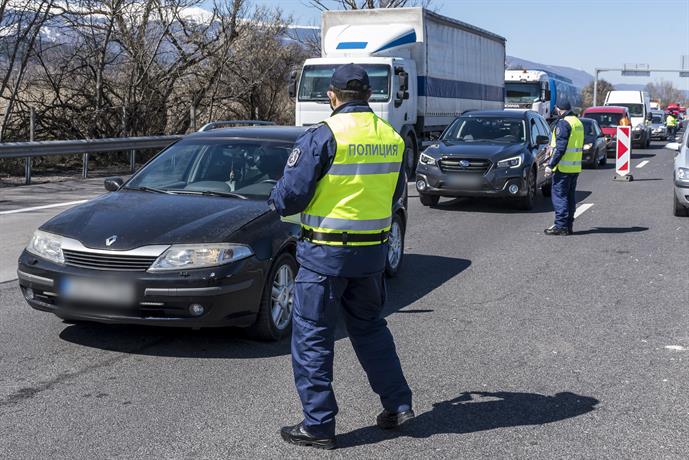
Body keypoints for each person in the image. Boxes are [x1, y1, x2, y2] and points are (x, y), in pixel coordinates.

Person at [268, 63, 413, 450]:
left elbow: (291, 197)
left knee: (313, 336)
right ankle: (397, 404)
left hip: (324, 255)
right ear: (368, 96)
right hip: (371, 256)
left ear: (332, 97)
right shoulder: (393, 138)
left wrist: (275, 197)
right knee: (370, 329)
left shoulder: (324, 136)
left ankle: (318, 426)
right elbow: (396, 192)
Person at [544, 101, 584, 236]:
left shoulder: (563, 123)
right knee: (570, 197)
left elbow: (561, 148)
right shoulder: (577, 122)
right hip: (575, 167)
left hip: (563, 168)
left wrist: (551, 165)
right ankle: (568, 226)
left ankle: (560, 226)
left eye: (556, 109)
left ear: (558, 109)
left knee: (560, 197)